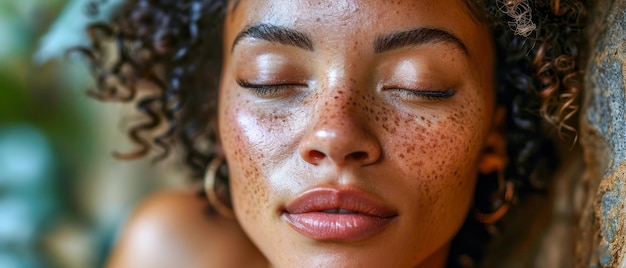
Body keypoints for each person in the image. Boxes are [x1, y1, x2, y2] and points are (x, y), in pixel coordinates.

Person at [79, 0, 586, 267]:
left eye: (419, 87)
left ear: (493, 133)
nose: (336, 134)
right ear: (216, 113)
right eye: (270, 80)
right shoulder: (177, 251)